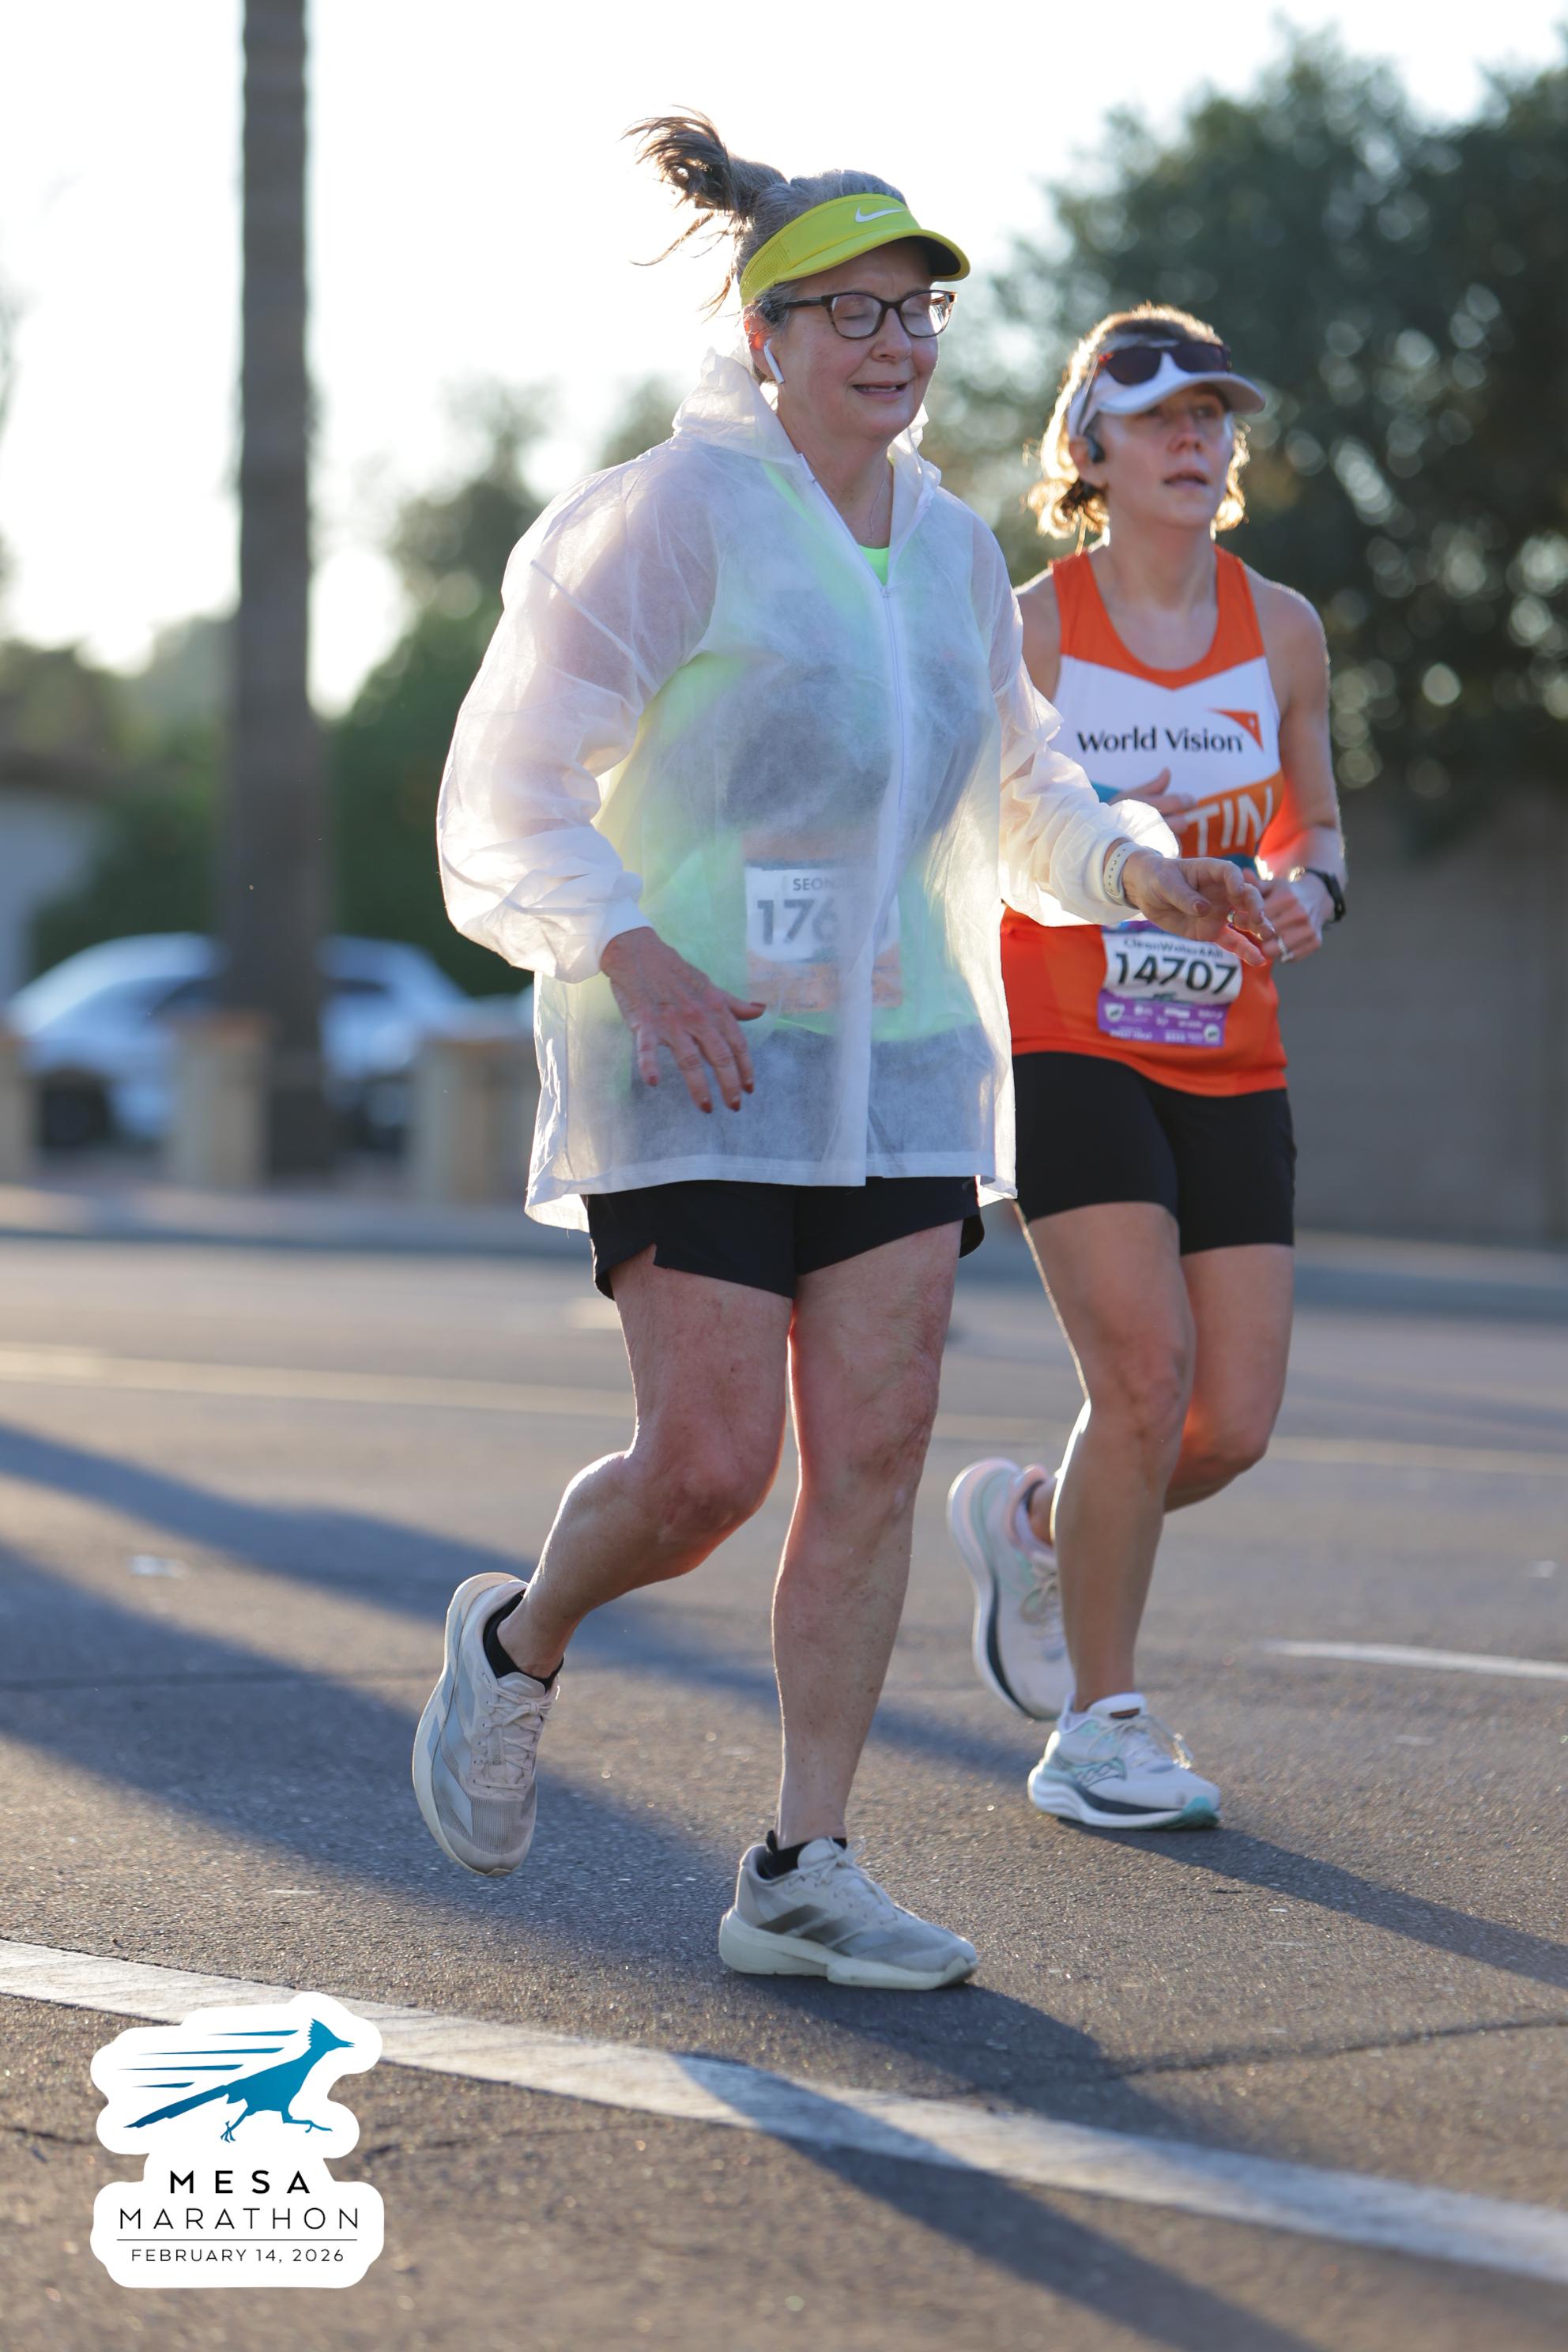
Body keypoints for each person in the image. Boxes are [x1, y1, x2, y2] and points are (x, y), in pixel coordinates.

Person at [413, 136, 1272, 1991]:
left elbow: (1022, 784)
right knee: (705, 1468)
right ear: (767, 332)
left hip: (898, 1063)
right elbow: (509, 789)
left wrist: (1137, 868)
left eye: (916, 311)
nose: (893, 346)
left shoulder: (950, 551)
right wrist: (627, 946)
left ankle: (801, 1864)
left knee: (873, 1457)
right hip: (700, 1051)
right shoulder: (672, 519)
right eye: (851, 313)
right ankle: (515, 1640)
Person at [948, 303, 1346, 1830]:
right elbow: (983, 834)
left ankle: (1043, 1523)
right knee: (1141, 1378)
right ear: (1089, 448)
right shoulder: (1034, 628)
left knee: (1226, 1425)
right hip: (1069, 1031)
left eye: (1214, 414)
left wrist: (1307, 896)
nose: (1195, 437)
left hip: (1230, 1049)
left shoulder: (1283, 629)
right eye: (1161, 415)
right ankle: (1097, 1729)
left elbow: (1316, 831)